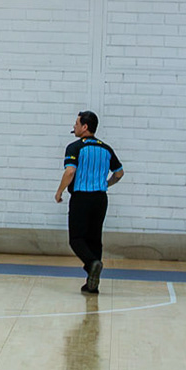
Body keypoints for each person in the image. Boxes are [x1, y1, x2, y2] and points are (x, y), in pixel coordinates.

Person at [56, 110, 122, 295]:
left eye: (76, 124)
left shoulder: (75, 147)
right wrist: (106, 184)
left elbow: (70, 172)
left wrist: (59, 191)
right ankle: (92, 285)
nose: (74, 127)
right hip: (100, 199)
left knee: (76, 239)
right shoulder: (106, 149)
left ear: (85, 127)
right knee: (94, 240)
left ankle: (92, 264)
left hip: (81, 198)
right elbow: (119, 173)